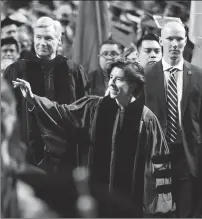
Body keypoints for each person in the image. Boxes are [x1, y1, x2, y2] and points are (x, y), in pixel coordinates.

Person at [13, 60, 174, 217]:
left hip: (132, 202)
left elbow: (158, 164)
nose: (111, 83)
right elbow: (62, 114)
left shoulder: (146, 119)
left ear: (133, 85)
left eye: (118, 79)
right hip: (96, 197)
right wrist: (32, 98)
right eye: (111, 77)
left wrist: (158, 208)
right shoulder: (94, 106)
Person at [4, 16, 89, 168]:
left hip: (66, 149)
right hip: (27, 149)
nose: (42, 43)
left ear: (59, 41)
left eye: (48, 38)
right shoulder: (16, 70)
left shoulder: (73, 70)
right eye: (38, 37)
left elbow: (82, 112)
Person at [144, 21, 202, 217]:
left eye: (179, 39)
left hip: (188, 157)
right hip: (156, 157)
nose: (174, 44)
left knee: (187, 212)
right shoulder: (145, 76)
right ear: (161, 40)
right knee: (160, 214)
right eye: (170, 39)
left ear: (186, 42)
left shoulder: (198, 76)